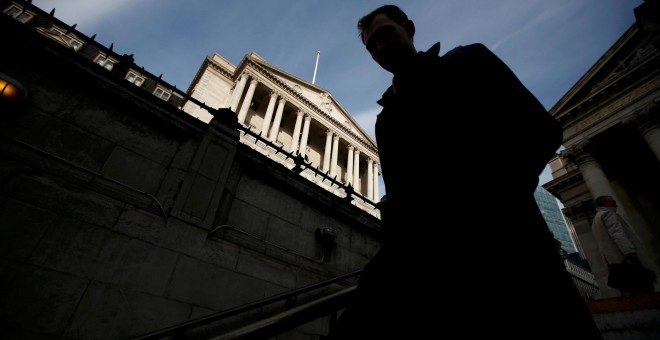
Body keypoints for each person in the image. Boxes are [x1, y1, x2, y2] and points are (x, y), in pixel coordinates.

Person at [330, 5, 603, 339]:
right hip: (436, 265)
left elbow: (541, 130)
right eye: (371, 46)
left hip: (510, 247)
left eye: (385, 34)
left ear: (410, 28)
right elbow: (402, 197)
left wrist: (496, 195)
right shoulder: (386, 121)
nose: (380, 48)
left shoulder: (469, 62)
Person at [591, 195, 656, 295]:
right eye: (611, 201)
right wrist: (630, 252)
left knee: (633, 290)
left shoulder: (596, 219)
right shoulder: (608, 213)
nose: (615, 203)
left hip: (614, 261)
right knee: (644, 285)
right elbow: (617, 233)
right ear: (604, 204)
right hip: (624, 258)